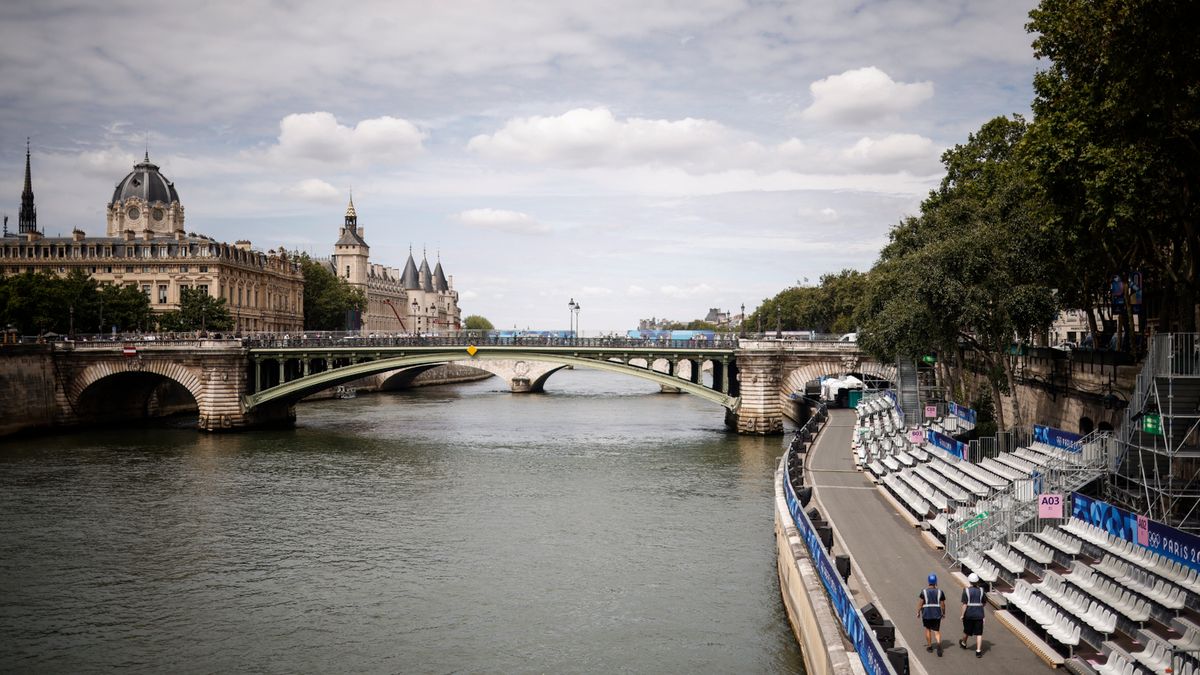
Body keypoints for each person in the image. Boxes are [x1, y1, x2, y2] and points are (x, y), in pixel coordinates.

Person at [916, 573, 946, 656]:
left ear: (928, 581)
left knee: (928, 629)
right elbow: (943, 604)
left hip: (927, 613)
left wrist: (918, 612)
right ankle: (939, 643)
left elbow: (920, 603)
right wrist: (943, 613)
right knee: (936, 631)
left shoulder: (924, 592)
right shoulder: (940, 592)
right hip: (937, 613)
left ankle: (929, 646)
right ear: (936, 581)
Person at [960, 573, 986, 657]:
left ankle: (963, 642)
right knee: (979, 633)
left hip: (969, 614)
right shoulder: (981, 590)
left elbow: (964, 604)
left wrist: (962, 615)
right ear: (977, 581)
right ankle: (978, 651)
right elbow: (984, 603)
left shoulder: (966, 591)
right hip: (979, 614)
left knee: (967, 630)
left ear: (969, 581)